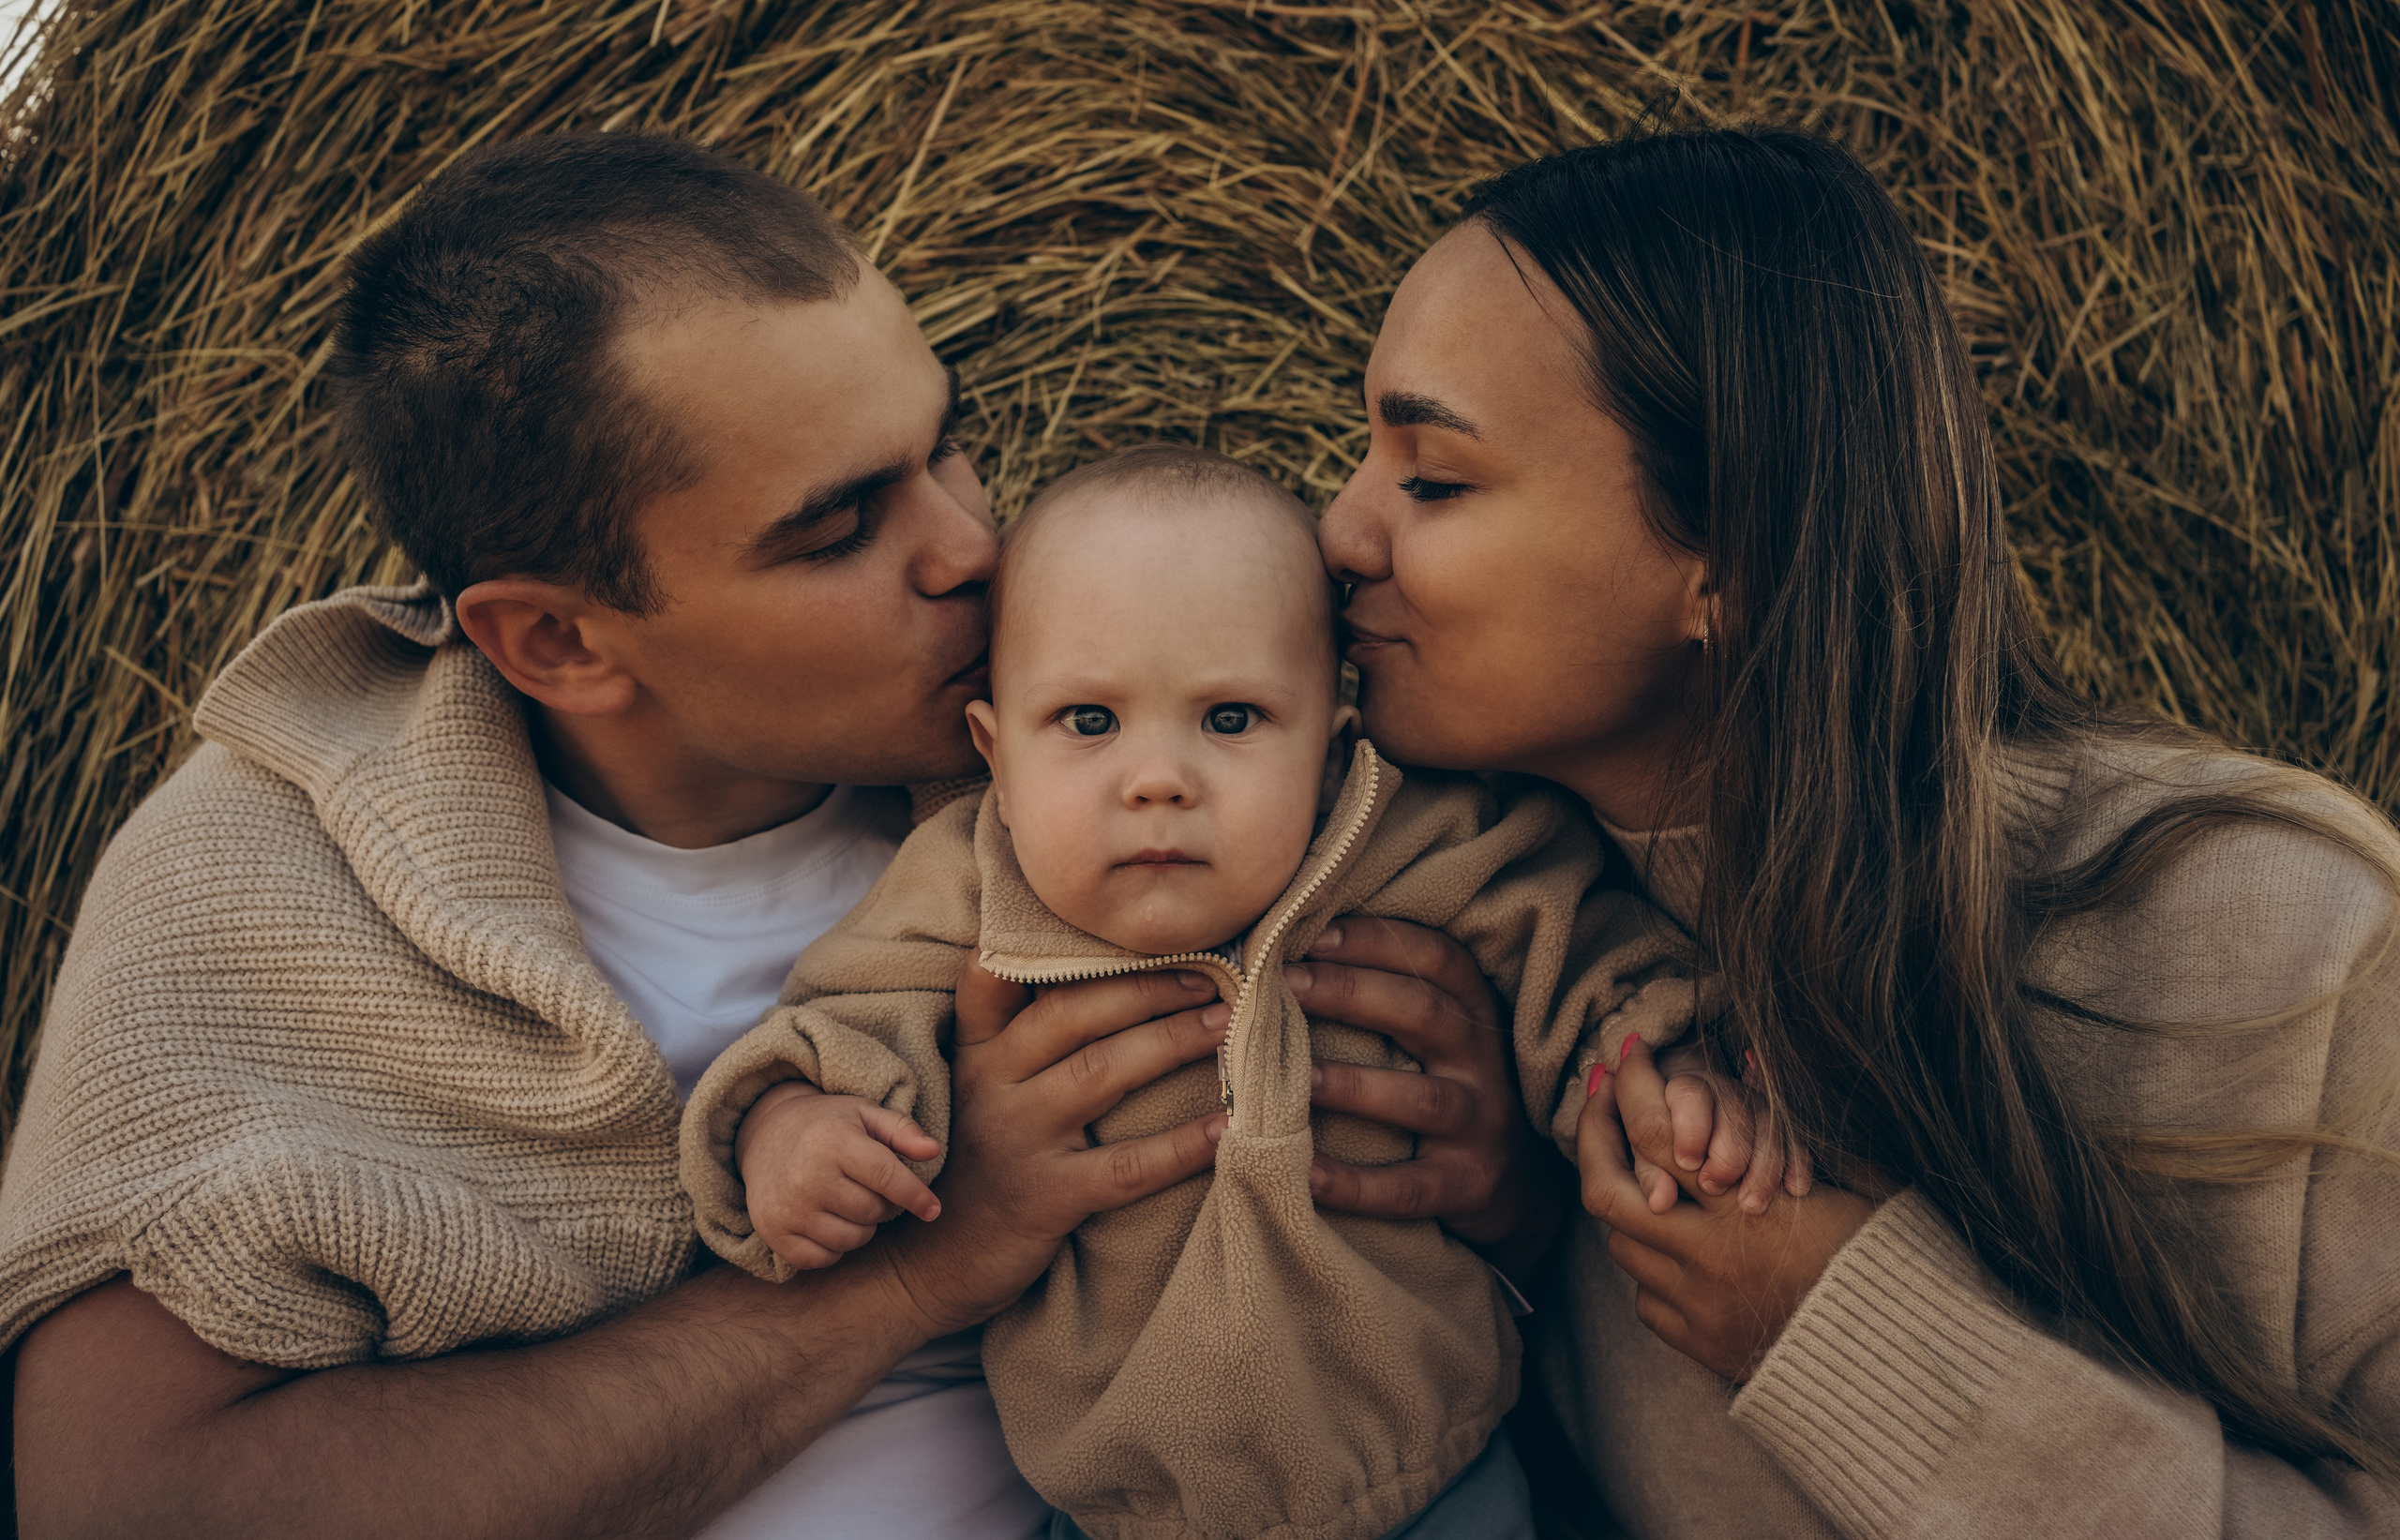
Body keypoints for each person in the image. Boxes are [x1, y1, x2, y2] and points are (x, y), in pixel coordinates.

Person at [2, 133, 1552, 1539]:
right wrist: (928, 1264)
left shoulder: (1116, 748)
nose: (969, 547)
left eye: (948, 444)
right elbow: (131, 1502)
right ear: (556, 641)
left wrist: (1503, 1180)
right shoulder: (271, 890)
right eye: (839, 528)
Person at [1319, 123, 2400, 1538]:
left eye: (1433, 477)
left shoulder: (2282, 934)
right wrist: (1525, 1239)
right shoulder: (1501, 941)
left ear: (1736, 557)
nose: (1337, 526)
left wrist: (1846, 1333)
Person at [683, 445, 1769, 1540]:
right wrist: (791, 1124)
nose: (1157, 778)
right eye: (1089, 722)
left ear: (1332, 750)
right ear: (996, 756)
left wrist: (1658, 1072)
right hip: (1118, 1511)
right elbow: (839, 1020)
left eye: (1233, 719)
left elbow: (1580, 961)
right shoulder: (966, 888)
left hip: (1431, 1478)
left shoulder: (1412, 846)